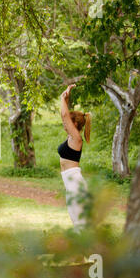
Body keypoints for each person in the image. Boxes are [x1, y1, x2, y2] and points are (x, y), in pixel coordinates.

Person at [58, 84, 92, 230]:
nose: (64, 124)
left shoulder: (76, 138)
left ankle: (93, 253)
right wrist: (66, 98)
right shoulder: (71, 137)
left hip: (75, 184)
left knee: (81, 225)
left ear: (75, 124)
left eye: (68, 123)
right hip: (70, 183)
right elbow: (65, 115)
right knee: (77, 222)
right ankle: (86, 253)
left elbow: (65, 115)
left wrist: (61, 98)